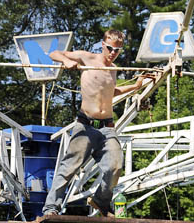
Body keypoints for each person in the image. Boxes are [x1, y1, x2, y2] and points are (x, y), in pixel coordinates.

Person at [42, 30, 153, 217]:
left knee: (115, 166)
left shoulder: (113, 69)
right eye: (110, 48)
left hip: (107, 128)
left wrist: (135, 86)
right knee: (68, 168)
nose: (112, 53)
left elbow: (112, 91)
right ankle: (51, 207)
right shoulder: (87, 58)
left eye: (117, 50)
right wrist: (66, 61)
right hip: (86, 125)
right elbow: (53, 53)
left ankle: (101, 201)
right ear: (103, 45)